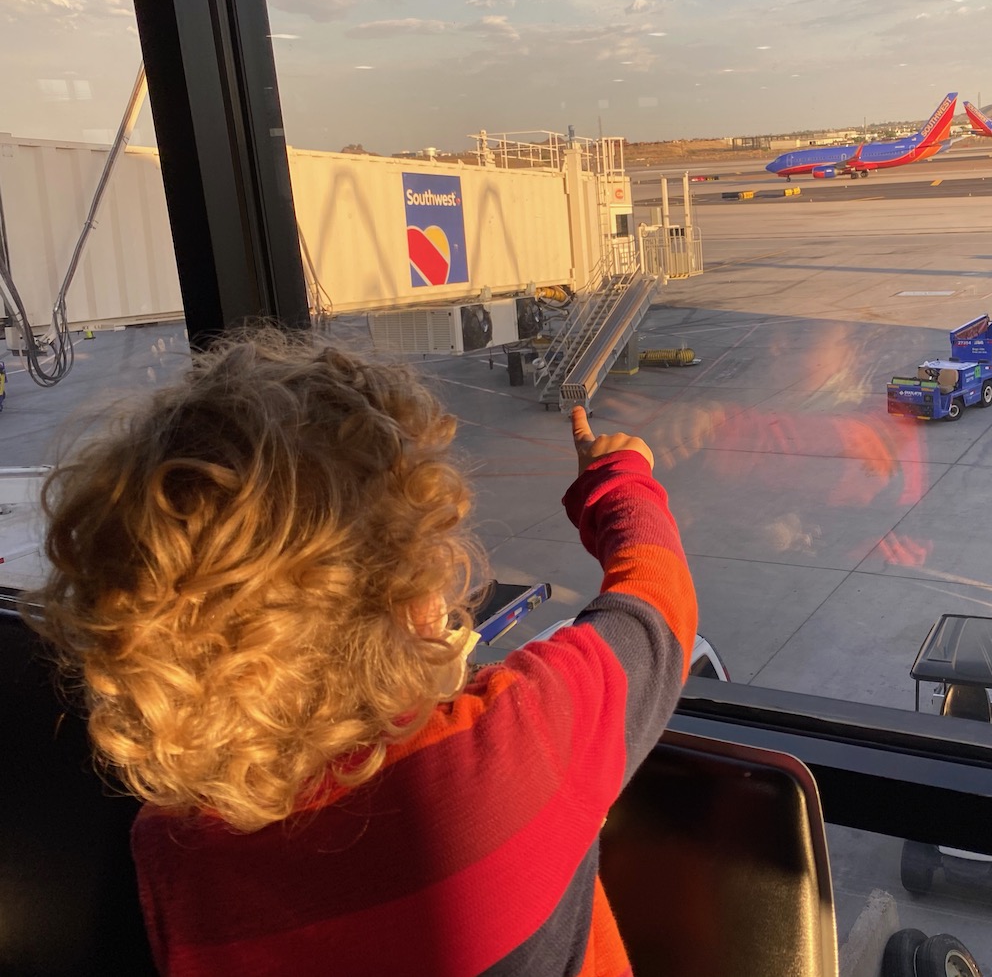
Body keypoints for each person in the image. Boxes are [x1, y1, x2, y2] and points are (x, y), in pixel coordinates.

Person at [30, 329, 698, 977]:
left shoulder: (171, 850)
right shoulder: (509, 748)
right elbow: (659, 602)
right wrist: (619, 478)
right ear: (418, 602)